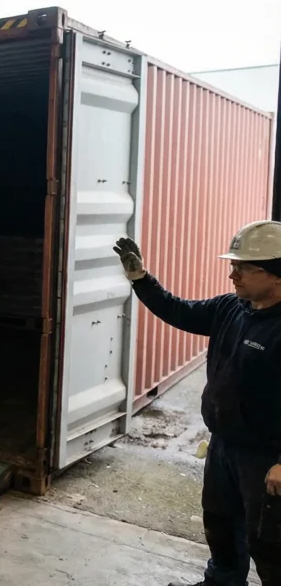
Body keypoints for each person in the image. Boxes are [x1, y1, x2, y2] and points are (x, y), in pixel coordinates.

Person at [114, 221, 281, 586]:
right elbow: (180, 311)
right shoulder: (231, 309)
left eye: (243, 268)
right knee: (220, 524)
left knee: (269, 543)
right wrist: (142, 279)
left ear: (275, 276)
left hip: (265, 457)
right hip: (223, 444)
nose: (231, 274)